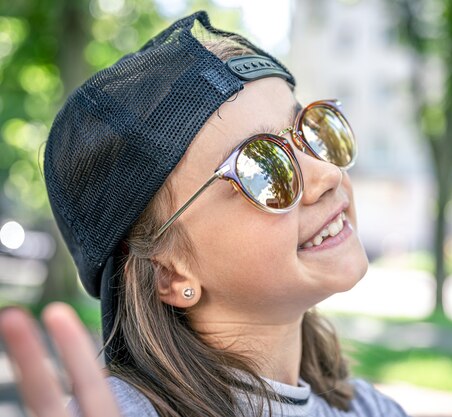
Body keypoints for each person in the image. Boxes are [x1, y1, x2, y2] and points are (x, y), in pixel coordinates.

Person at [0, 11, 410, 417]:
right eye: (261, 165)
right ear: (170, 273)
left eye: (309, 131)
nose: (327, 173)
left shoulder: (370, 408)